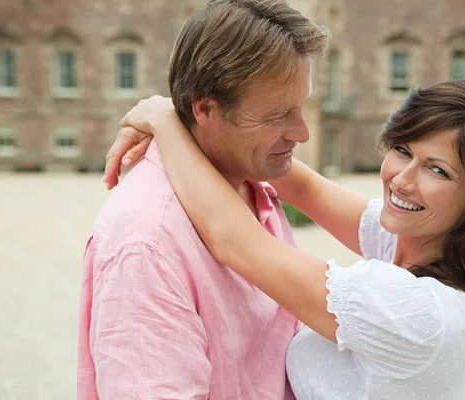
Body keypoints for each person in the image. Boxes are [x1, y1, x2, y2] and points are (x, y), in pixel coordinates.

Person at [104, 79, 465, 399]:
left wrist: (163, 121)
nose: (401, 181)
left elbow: (235, 241)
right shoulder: (424, 239)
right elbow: (304, 187)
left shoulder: (417, 312)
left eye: (438, 170)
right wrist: (202, 119)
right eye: (404, 151)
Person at [77, 0, 329, 399]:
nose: (302, 132)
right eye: (279, 114)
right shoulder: (147, 244)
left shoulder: (253, 177)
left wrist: (166, 119)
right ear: (206, 108)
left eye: (302, 107)